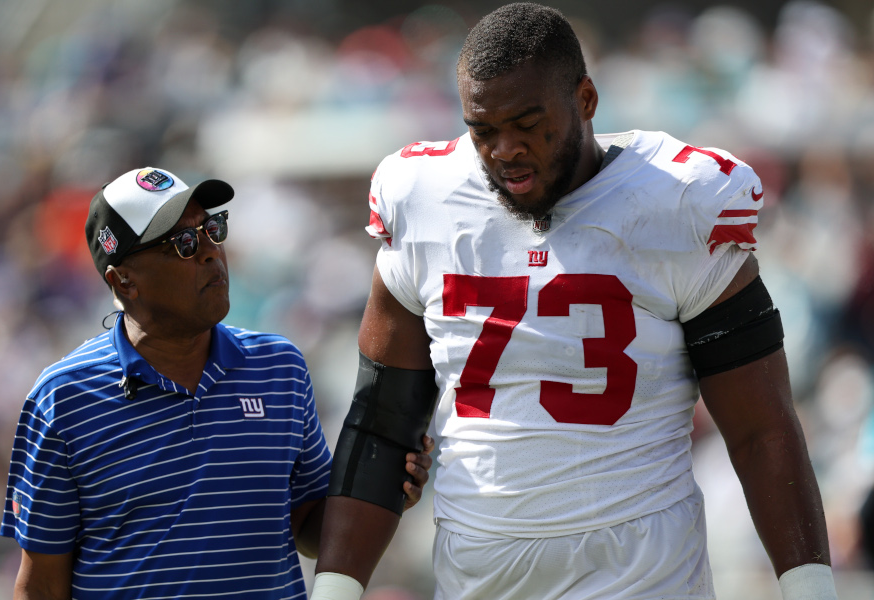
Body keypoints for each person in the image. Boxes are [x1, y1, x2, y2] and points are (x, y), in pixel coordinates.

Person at [311, 4, 838, 600]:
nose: (505, 150)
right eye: (483, 130)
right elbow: (381, 422)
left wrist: (811, 589)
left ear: (585, 99)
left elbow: (761, 429)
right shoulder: (424, 198)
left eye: (528, 123)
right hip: (479, 576)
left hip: (641, 576)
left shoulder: (677, 201)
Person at [0, 166, 433, 600]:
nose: (210, 252)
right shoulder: (64, 397)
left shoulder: (278, 367)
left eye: (212, 229)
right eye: (183, 244)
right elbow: (41, 582)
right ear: (123, 281)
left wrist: (381, 486)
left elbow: (308, 528)